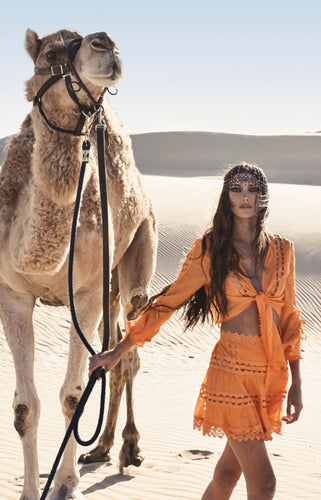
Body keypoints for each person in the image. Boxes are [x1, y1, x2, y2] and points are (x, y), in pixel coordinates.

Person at [89, 163, 305, 500]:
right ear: (226, 197)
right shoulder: (210, 250)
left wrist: (297, 384)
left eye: (253, 190)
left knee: (227, 475)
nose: (245, 197)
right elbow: (167, 303)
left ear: (263, 197)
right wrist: (119, 349)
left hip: (269, 376)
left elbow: (290, 319)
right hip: (231, 372)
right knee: (264, 484)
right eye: (237, 189)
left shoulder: (283, 251)